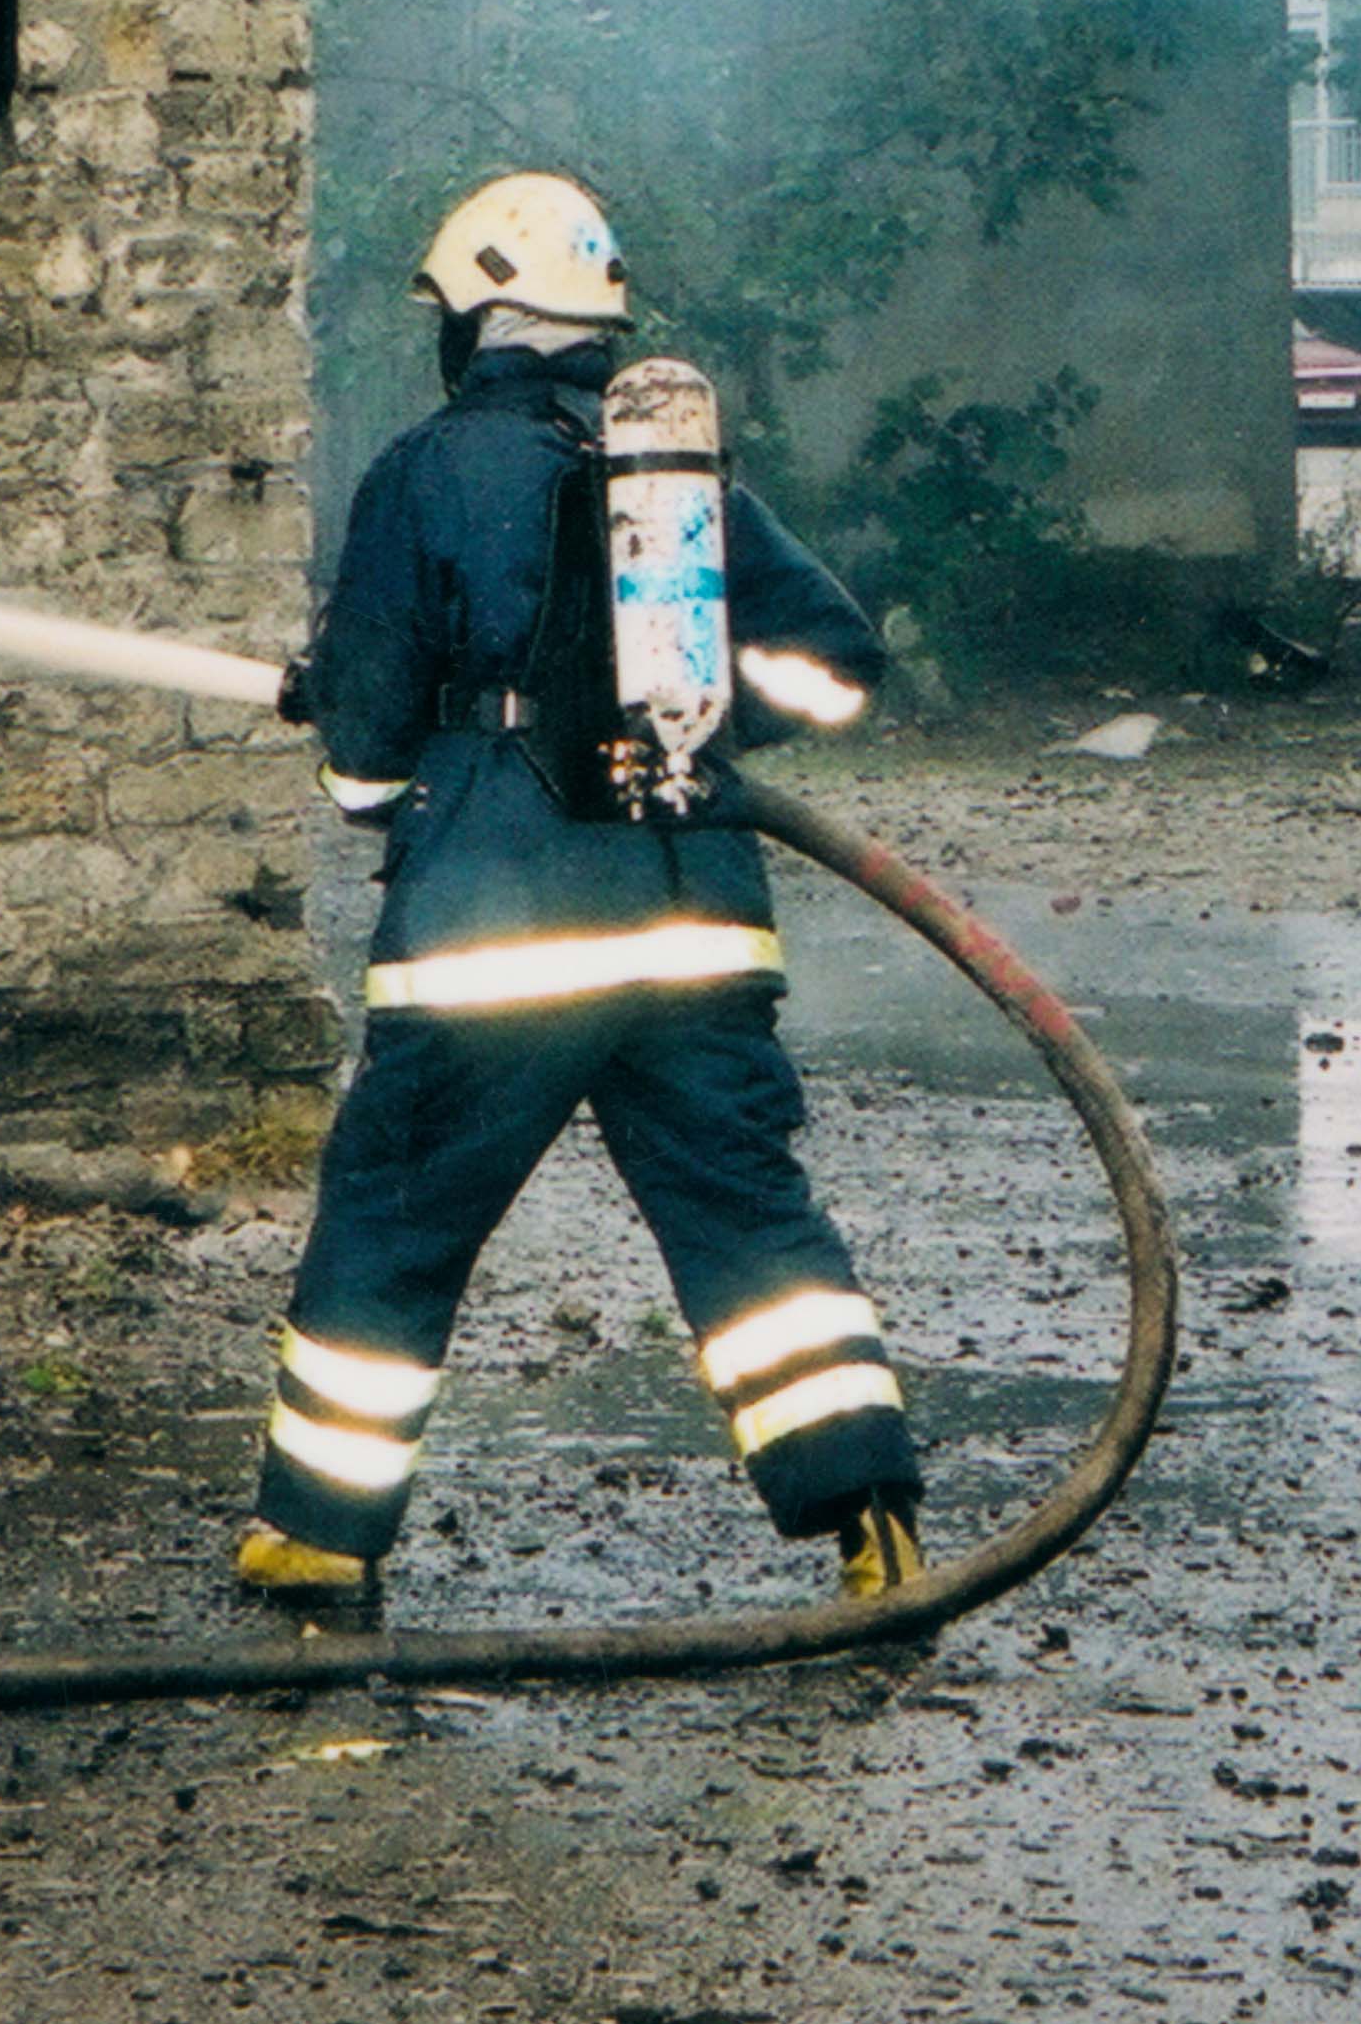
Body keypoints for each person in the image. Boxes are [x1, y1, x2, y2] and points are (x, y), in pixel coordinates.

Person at [242, 171, 926, 1622]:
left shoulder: (427, 470)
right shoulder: (673, 479)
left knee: (392, 1221)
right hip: (694, 928)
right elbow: (836, 668)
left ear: (479, 313)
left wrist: (397, 765)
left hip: (494, 950)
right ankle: (868, 1511)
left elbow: (362, 743)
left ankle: (316, 1536)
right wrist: (694, 729)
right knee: (750, 1228)